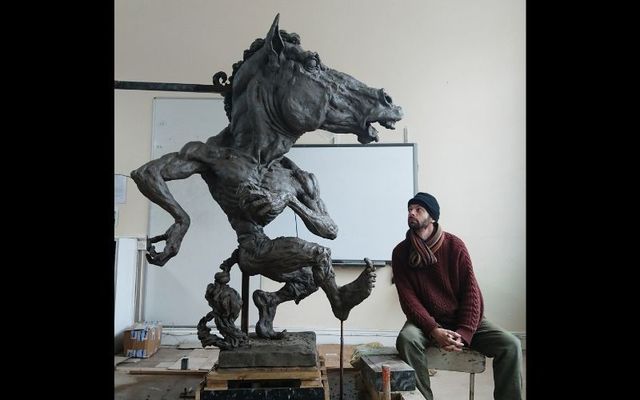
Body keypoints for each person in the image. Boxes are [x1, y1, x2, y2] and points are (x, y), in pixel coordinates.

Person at [392, 192, 523, 400]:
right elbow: (409, 301)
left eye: (418, 209)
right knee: (407, 339)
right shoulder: (400, 252)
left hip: (462, 319)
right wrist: (433, 330)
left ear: (432, 217)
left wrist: (463, 333)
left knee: (511, 345)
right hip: (427, 322)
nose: (411, 213)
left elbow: (471, 294)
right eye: (409, 209)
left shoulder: (454, 246)